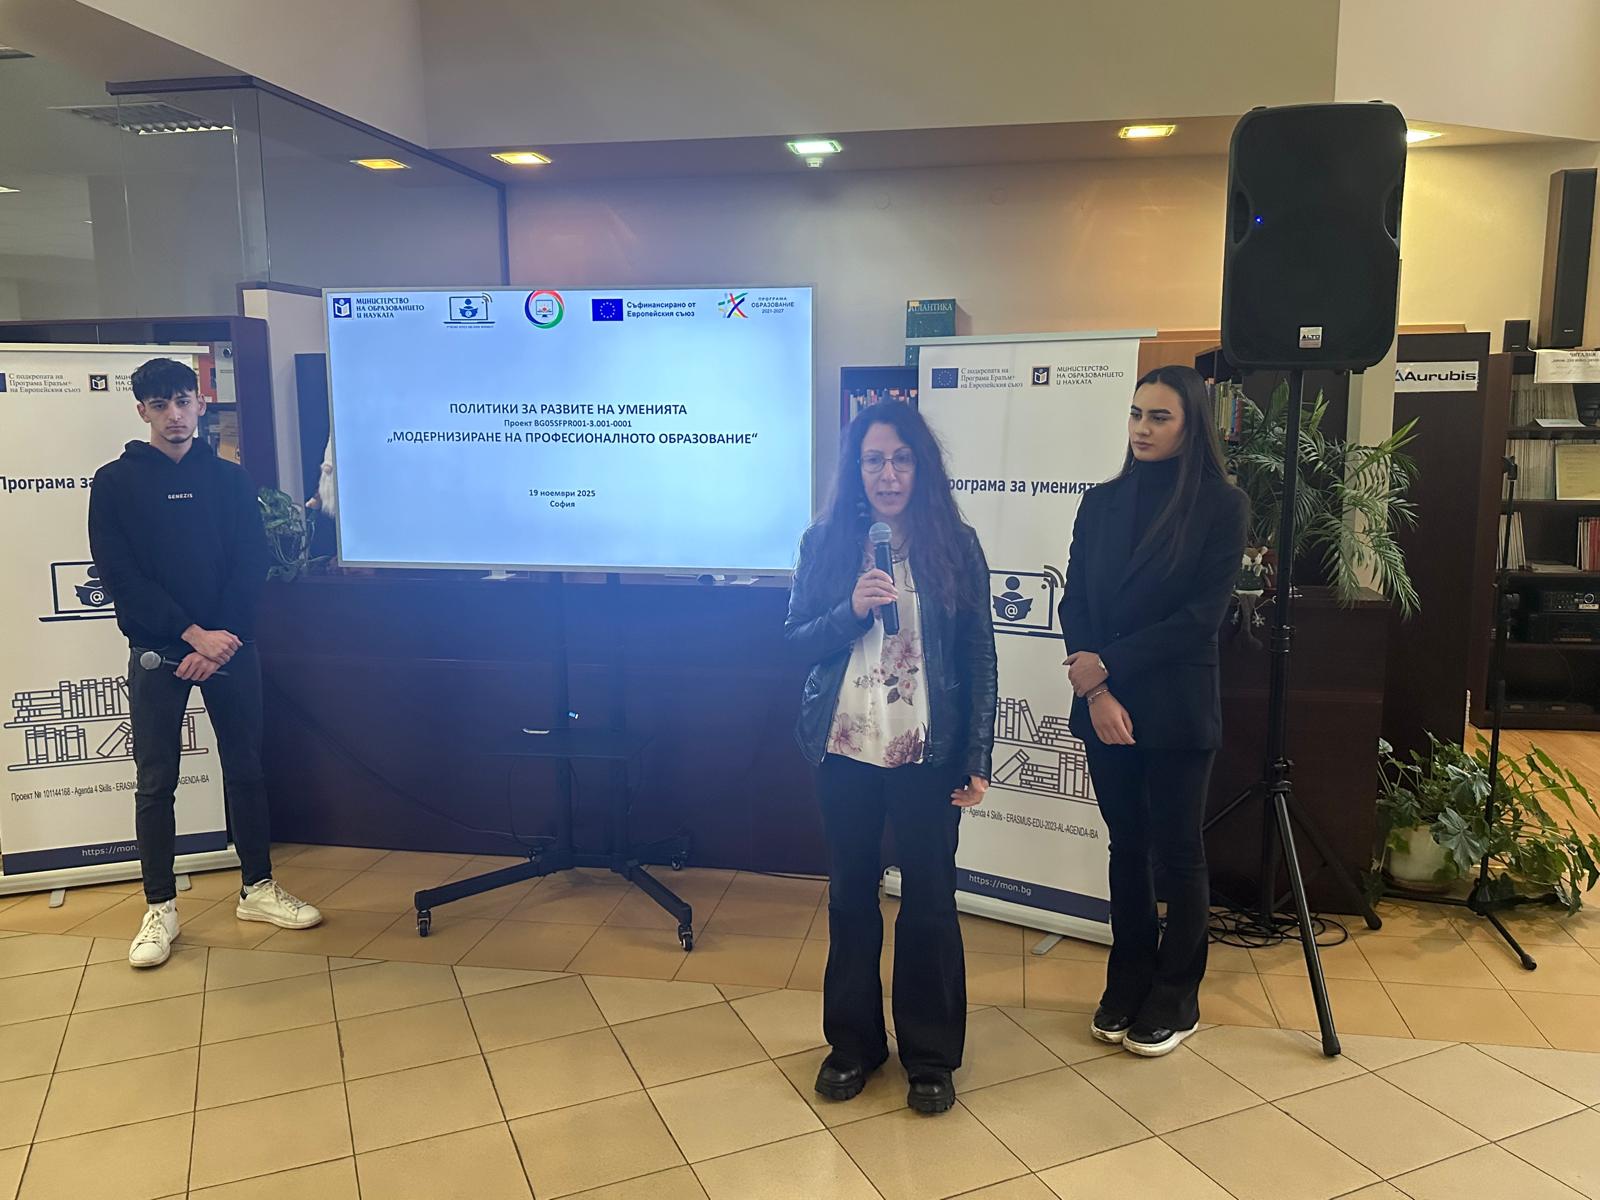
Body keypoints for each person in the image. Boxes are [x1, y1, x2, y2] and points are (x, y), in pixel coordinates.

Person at [785, 402, 998, 1114]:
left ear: (921, 467)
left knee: (930, 903)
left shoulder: (955, 544)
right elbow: (795, 640)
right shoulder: (824, 544)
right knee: (851, 899)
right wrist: (849, 610)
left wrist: (978, 752)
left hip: (927, 753)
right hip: (844, 748)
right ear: (856, 470)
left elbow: (979, 654)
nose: (888, 474)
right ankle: (854, 1045)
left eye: (901, 459)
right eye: (874, 460)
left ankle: (930, 1056)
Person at [89, 357, 322, 969]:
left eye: (183, 401)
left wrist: (224, 638)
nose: (174, 415)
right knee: (155, 779)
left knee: (245, 768)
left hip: (230, 646)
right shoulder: (114, 483)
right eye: (160, 405)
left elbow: (250, 564)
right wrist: (192, 637)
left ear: (200, 404)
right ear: (142, 410)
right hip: (158, 650)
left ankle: (257, 888)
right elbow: (120, 576)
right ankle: (160, 906)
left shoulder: (229, 480)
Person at [1057, 365, 1247, 1057]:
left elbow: (1200, 619)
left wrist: (1107, 666)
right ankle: (1129, 978)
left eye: (1159, 417)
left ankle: (1176, 993)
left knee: (1178, 852)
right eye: (1136, 414)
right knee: (1127, 847)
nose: (1142, 428)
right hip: (1104, 705)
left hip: (1176, 706)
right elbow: (1075, 601)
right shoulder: (1101, 501)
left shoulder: (1222, 506)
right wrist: (1097, 692)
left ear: (1192, 426)